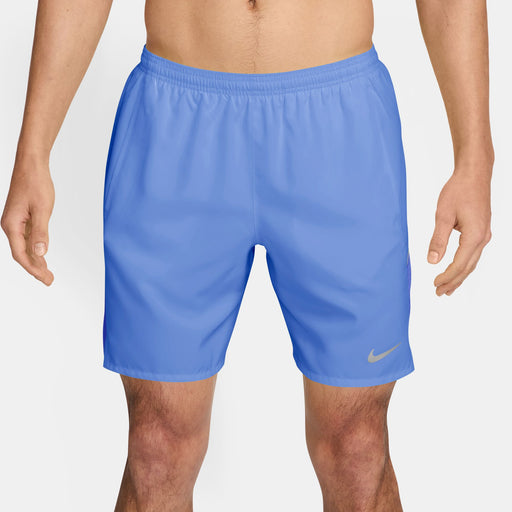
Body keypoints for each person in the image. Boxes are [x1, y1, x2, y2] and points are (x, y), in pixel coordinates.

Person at [1, 0, 493, 510]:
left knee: (357, 448)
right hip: (176, 121)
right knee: (156, 448)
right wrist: (32, 151)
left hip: (337, 125)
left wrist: (475, 156)